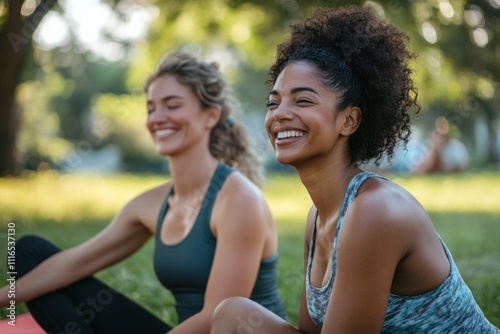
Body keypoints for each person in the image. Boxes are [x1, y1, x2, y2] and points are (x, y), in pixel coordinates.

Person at [210, 5, 500, 334]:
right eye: (274, 102)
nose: (280, 114)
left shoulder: (375, 211)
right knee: (233, 315)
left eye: (302, 101)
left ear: (349, 120)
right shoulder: (317, 219)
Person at [0, 51, 286, 333]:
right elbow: (74, 263)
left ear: (211, 116)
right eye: (151, 108)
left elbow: (215, 317)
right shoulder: (150, 204)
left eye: (172, 106)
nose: (157, 118)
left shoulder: (238, 200)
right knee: (30, 252)